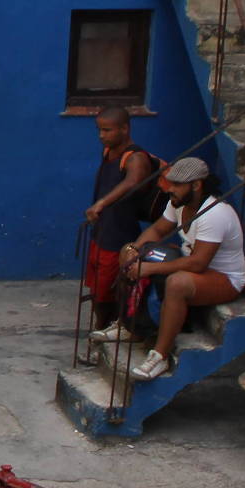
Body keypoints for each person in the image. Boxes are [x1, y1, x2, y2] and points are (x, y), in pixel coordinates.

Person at [99, 155, 245, 382]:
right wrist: (134, 249)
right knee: (129, 254)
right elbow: (157, 231)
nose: (169, 189)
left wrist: (149, 268)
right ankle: (130, 324)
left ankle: (160, 356)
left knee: (176, 283)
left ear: (196, 185)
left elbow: (199, 263)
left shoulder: (214, 213)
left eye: (177, 185)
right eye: (170, 183)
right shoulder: (178, 203)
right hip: (192, 265)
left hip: (224, 278)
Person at [81, 106, 160, 330]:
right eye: (99, 130)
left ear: (124, 129)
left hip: (119, 235)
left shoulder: (135, 158)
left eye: (107, 130)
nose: (101, 135)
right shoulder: (109, 153)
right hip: (102, 231)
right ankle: (101, 327)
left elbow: (133, 181)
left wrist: (102, 203)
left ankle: (107, 328)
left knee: (109, 291)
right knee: (96, 289)